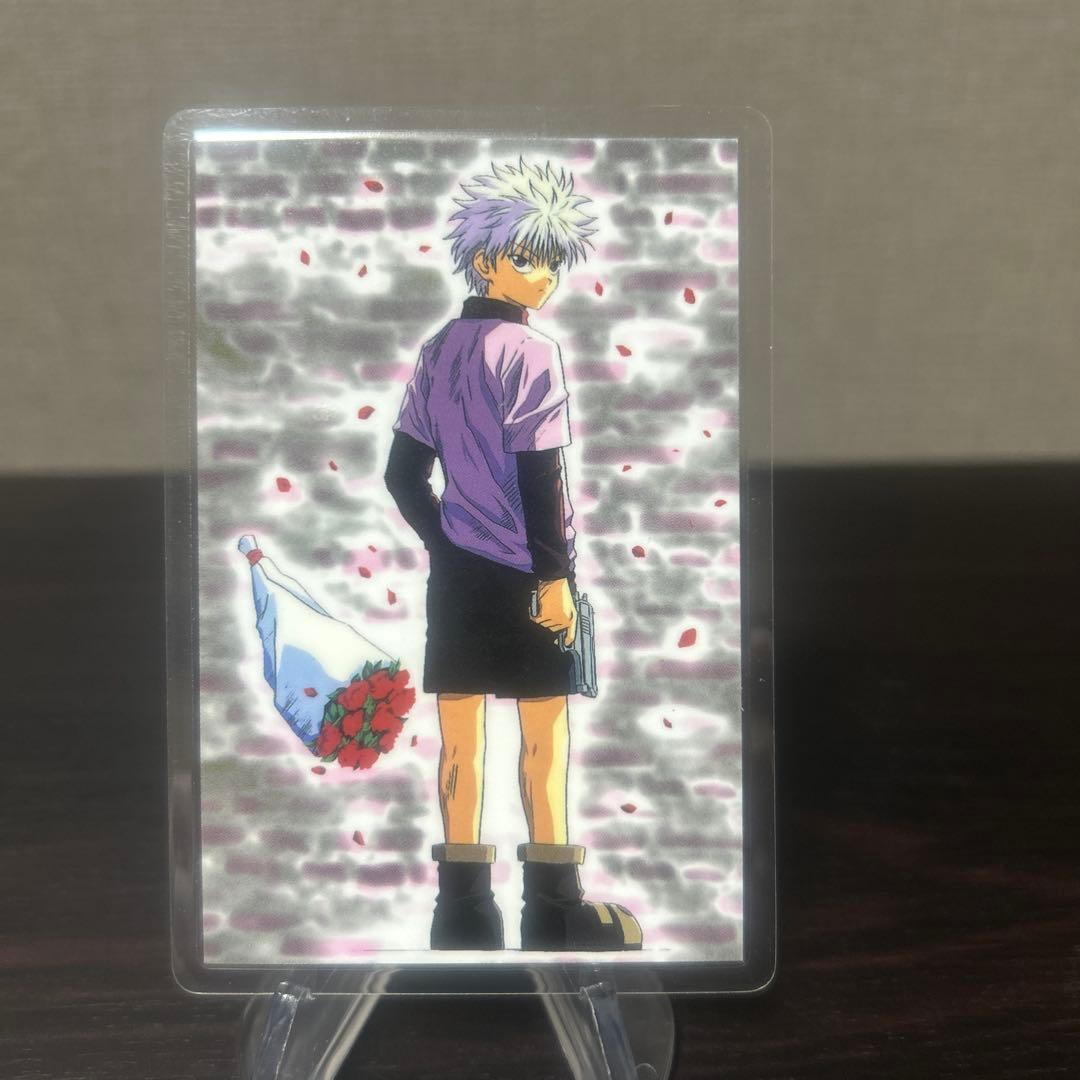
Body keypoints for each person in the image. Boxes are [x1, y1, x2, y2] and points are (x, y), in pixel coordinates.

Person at [385, 159, 641, 952]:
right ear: (486, 258)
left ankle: (461, 918)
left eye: (554, 262)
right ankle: (554, 913)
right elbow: (541, 477)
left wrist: (449, 543)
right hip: (531, 574)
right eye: (529, 258)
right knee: (543, 740)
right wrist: (554, 579)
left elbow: (402, 475)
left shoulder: (437, 349)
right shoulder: (530, 353)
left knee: (460, 741)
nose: (545, 277)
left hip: (458, 576)